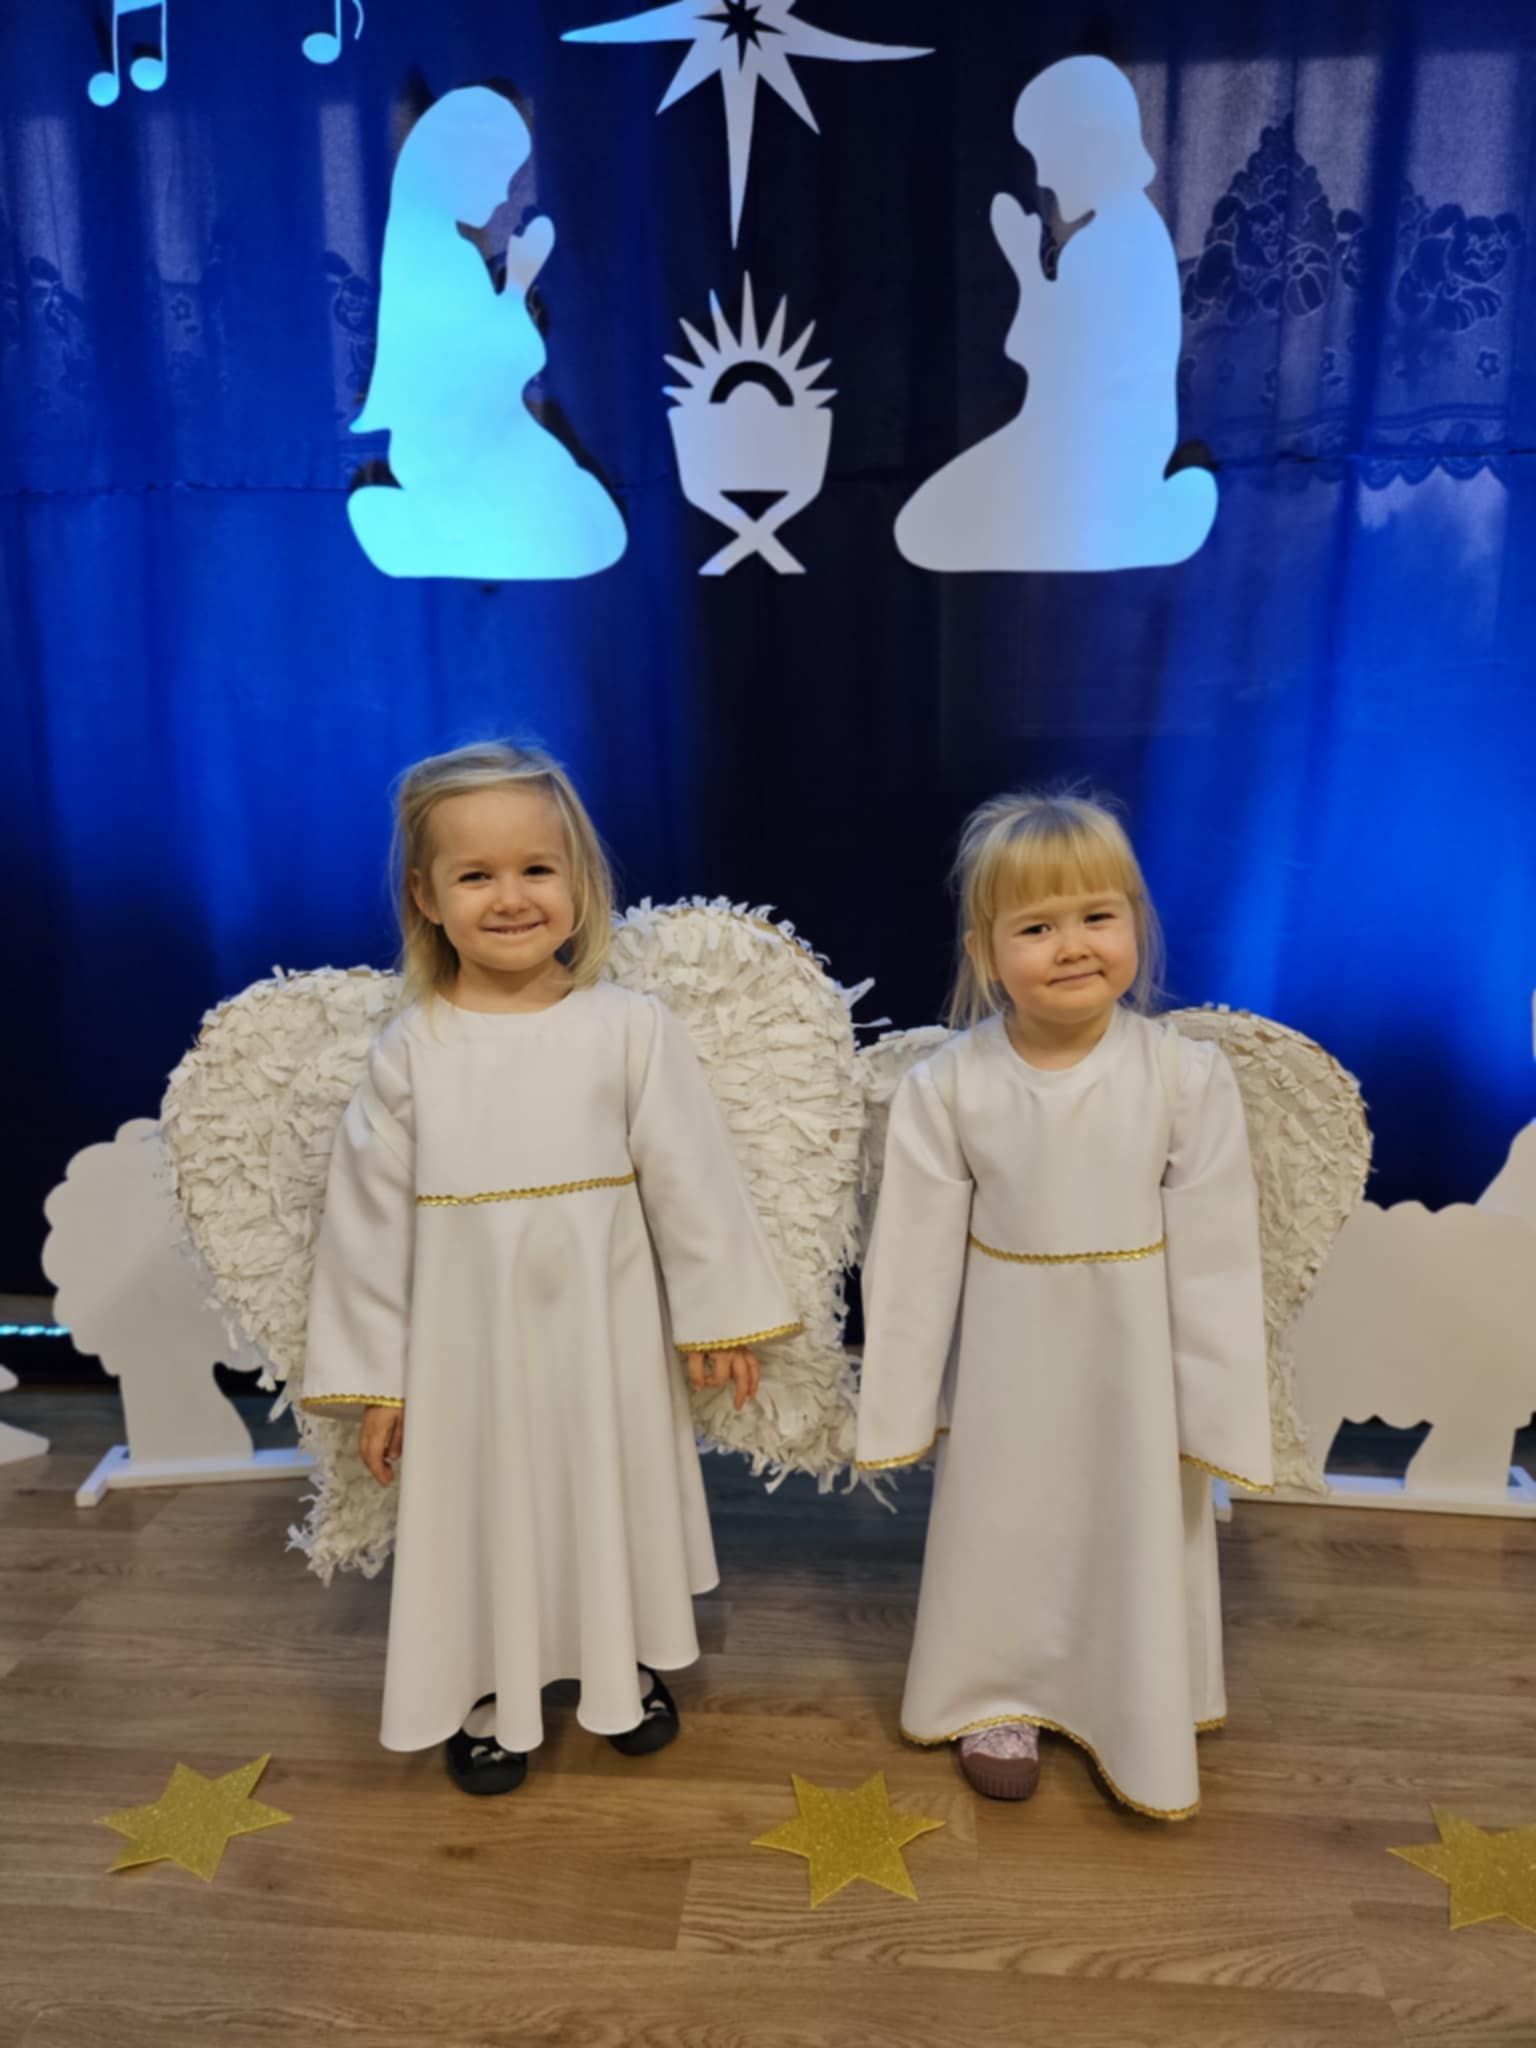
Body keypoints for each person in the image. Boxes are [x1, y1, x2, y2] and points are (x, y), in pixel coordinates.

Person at [302, 741, 798, 1792]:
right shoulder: (411, 1052)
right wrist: (380, 1382)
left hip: (602, 1338)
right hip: (469, 1350)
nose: (511, 896)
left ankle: (620, 1662)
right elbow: (366, 1228)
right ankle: (492, 1687)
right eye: (475, 874)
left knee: (604, 1489)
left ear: (579, 880)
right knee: (489, 1509)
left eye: (536, 868)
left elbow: (691, 1177)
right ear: (425, 896)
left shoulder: (629, 1029)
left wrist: (718, 1313)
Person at [854, 791, 1271, 1816]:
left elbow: (1217, 1257)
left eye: (1096, 916)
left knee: (1130, 1518)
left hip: (1132, 1361)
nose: (1073, 945)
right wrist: (904, 1402)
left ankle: (1138, 1695)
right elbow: (911, 1255)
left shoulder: (1184, 1077)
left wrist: (1213, 1408)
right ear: (986, 952)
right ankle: (997, 1691)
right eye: (1037, 927)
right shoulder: (950, 1086)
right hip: (1009, 1361)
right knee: (1007, 1521)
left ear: (1136, 923)